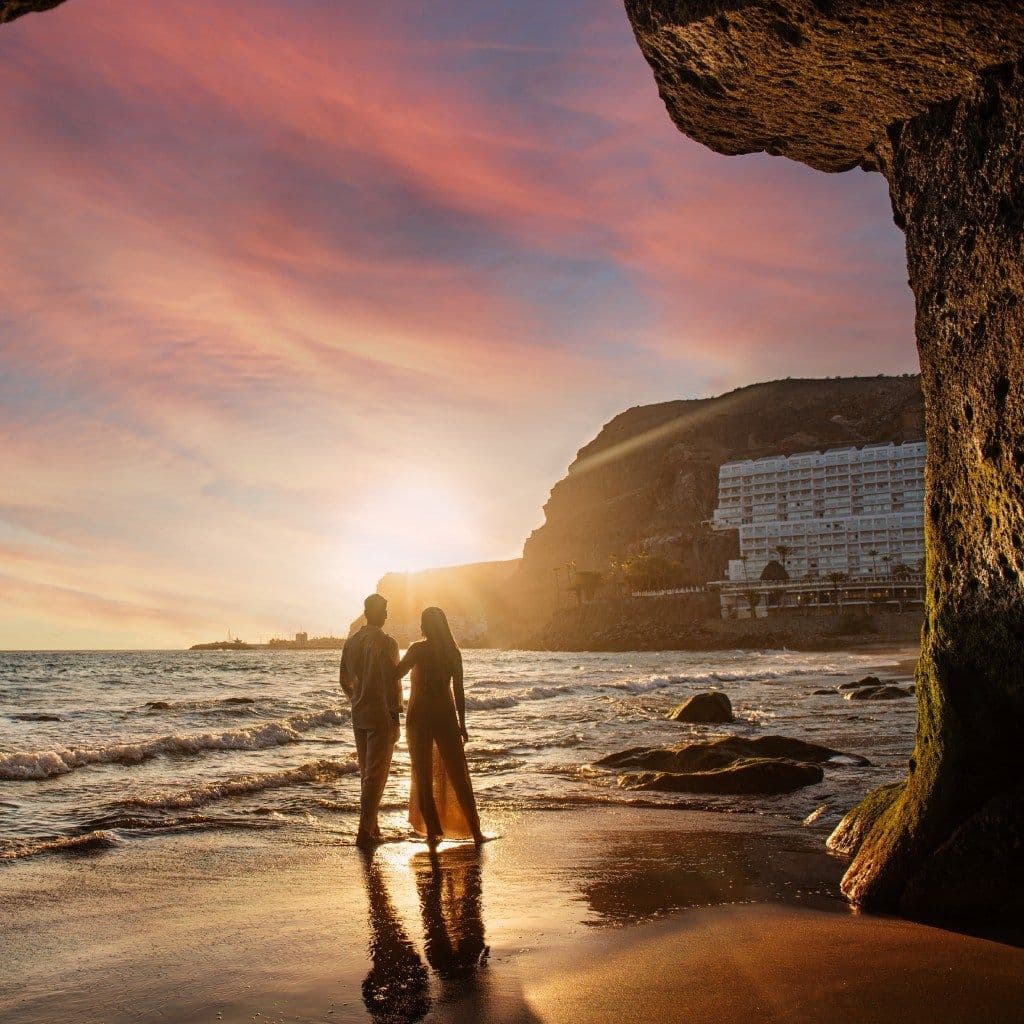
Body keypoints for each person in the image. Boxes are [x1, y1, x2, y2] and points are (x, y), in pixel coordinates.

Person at [393, 607, 485, 846]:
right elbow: (459, 691)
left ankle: (433, 833)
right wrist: (463, 723)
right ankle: (475, 831)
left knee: (422, 774)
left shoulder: (417, 650)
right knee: (458, 773)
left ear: (424, 625)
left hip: (419, 717)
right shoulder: (452, 653)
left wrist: (377, 661)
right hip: (445, 716)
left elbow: (395, 674)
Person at [340, 593, 402, 847]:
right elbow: (393, 683)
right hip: (381, 713)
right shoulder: (388, 643)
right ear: (374, 612)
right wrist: (395, 715)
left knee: (367, 772)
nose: (387, 614)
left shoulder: (351, 642)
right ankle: (364, 830)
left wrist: (357, 697)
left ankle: (372, 826)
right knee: (375, 775)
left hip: (359, 712)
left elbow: (344, 681)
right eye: (385, 610)